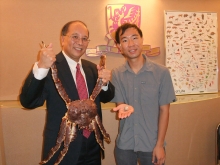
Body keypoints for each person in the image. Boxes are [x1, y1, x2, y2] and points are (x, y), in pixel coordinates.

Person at [19, 20, 115, 165]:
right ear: (63, 39)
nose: (80, 42)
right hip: (62, 149)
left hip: (93, 148)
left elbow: (107, 97)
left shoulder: (92, 69)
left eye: (84, 38)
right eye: (75, 37)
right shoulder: (50, 68)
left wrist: (106, 83)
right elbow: (28, 101)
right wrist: (42, 67)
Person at [111, 23, 177, 165]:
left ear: (142, 40)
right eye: (125, 40)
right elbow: (120, 104)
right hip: (125, 145)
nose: (131, 44)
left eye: (134, 38)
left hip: (152, 144)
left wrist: (159, 145)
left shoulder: (161, 73)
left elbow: (165, 110)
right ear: (119, 46)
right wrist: (123, 107)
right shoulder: (117, 74)